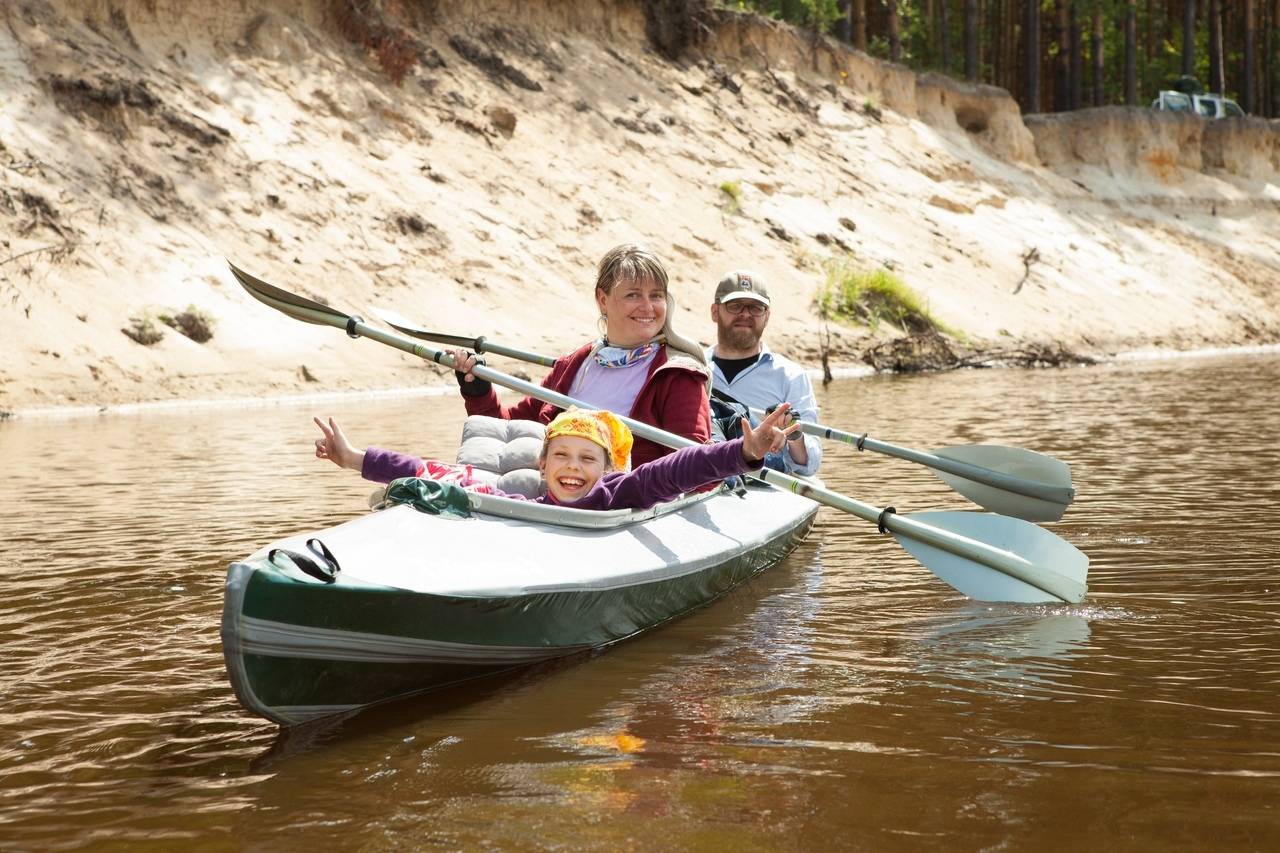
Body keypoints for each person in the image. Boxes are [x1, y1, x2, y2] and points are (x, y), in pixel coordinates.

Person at [449, 244, 711, 468]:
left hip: (622, 506)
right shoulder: (574, 364)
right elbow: (506, 431)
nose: (648, 307)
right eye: (633, 295)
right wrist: (478, 390)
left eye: (656, 296)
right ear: (603, 299)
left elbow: (697, 471)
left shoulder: (680, 375)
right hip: (557, 496)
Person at [312, 405, 794, 511]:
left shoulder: (621, 490)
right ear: (541, 465)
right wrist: (356, 459)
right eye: (561, 456)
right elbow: (427, 471)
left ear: (606, 468)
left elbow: (679, 468)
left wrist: (745, 453)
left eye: (587, 459)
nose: (572, 467)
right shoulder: (529, 495)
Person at [707, 271, 822, 477]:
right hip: (705, 475)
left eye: (755, 307)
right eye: (735, 306)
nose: (745, 314)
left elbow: (809, 465)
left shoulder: (791, 375)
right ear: (715, 312)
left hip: (765, 482)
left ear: (767, 316)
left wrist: (794, 434)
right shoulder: (695, 367)